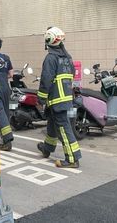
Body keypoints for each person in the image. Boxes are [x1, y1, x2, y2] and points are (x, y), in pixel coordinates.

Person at [36, 27, 82, 168]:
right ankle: (47, 148)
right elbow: (72, 74)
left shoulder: (51, 58)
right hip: (65, 98)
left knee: (63, 129)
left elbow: (46, 79)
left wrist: (41, 99)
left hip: (56, 99)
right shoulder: (67, 58)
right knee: (52, 125)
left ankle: (72, 158)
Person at [0, 38, 14, 151]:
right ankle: (5, 136)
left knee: (0, 113)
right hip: (5, 88)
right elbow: (11, 74)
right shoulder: (6, 58)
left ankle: (7, 140)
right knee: (5, 112)